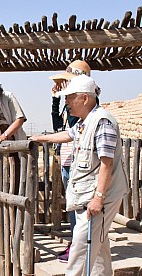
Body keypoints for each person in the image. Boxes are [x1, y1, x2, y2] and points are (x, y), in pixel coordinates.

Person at [30, 75, 128, 276]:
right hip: (92, 192)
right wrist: (40, 138)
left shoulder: (103, 122)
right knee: (99, 240)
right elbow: (68, 135)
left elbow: (106, 163)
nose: (67, 102)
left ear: (85, 98)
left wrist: (98, 198)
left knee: (82, 241)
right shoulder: (86, 121)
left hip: (102, 194)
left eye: (70, 98)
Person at [49, 60, 92, 262]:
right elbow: (58, 125)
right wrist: (56, 99)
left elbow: (72, 128)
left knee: (79, 207)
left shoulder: (85, 106)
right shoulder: (71, 105)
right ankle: (76, 244)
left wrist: (67, 98)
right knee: (73, 205)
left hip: (78, 162)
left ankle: (78, 246)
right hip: (68, 160)